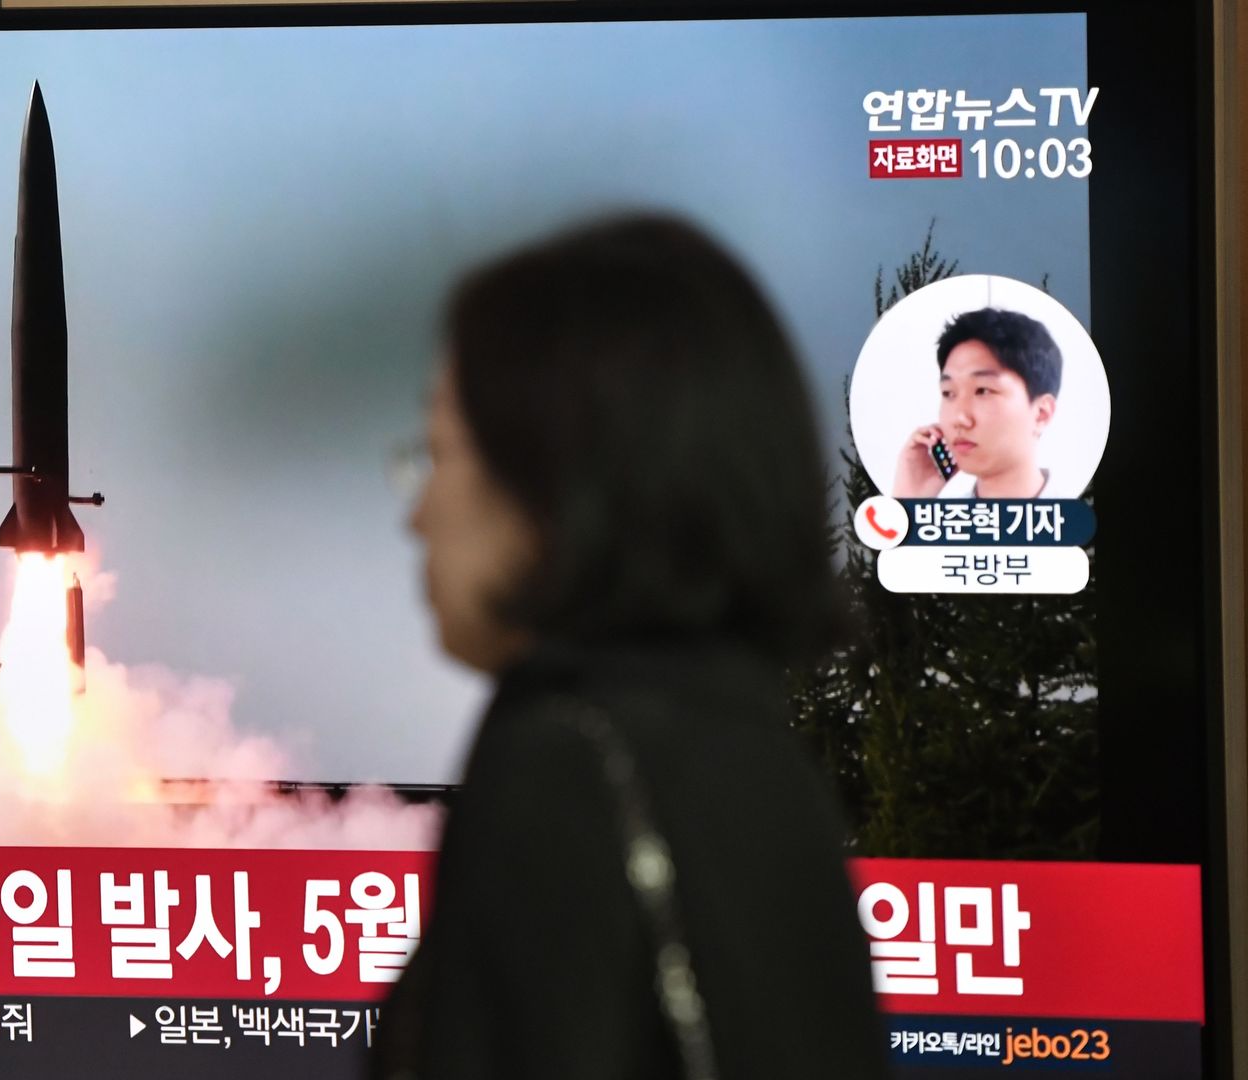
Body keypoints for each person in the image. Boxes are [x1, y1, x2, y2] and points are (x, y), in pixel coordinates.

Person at [373, 215, 887, 1079]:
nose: (415, 512)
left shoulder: (564, 761)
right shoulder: (751, 753)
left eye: (440, 452)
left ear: (555, 481)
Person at [893, 307, 1062, 499]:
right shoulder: (944, 523)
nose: (959, 419)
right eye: (948, 393)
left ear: (1041, 414)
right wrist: (911, 502)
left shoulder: (1079, 520)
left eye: (983, 391)